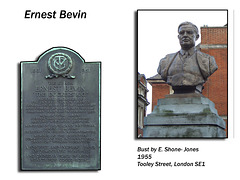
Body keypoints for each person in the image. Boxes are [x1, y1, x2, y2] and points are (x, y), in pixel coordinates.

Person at [157, 21, 218, 94]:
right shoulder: (166, 61)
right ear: (178, 37)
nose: (185, 35)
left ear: (197, 37)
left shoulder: (208, 60)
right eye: (182, 33)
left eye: (189, 32)